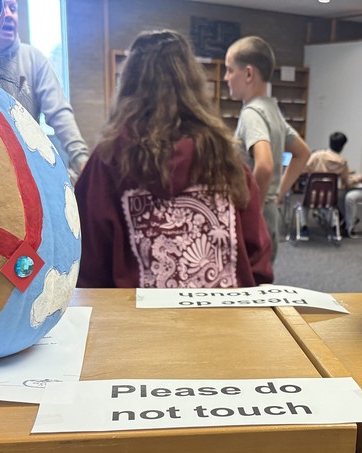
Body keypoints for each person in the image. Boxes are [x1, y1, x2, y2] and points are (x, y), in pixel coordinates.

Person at [73, 29, 272, 290]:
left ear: (129, 84)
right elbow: (257, 255)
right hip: (226, 322)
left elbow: (88, 262)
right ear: (192, 84)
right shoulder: (224, 156)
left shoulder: (109, 160)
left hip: (140, 323)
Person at [224, 35, 309, 259]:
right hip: (271, 214)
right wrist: (277, 194)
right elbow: (302, 153)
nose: (226, 78)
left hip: (258, 215)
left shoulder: (252, 113)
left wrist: (253, 211)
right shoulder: (272, 110)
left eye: (230, 70)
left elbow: (264, 165)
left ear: (249, 74)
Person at [0, 0, 89, 182]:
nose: (9, 14)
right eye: (2, 8)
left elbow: (58, 112)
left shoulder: (34, 59)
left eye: (13, 8)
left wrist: (81, 159)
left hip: (27, 167)